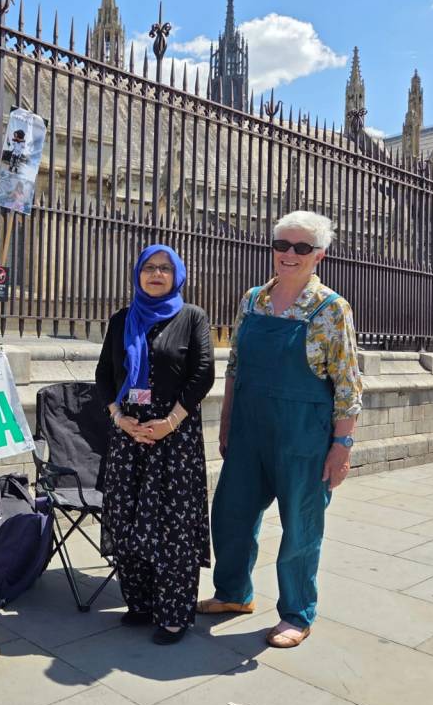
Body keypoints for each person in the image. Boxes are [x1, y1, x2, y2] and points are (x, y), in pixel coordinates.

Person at [198, 210, 363, 649]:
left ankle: (296, 613)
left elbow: (347, 384)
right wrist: (228, 420)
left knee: (300, 528)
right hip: (250, 431)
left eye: (302, 247)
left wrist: (341, 447)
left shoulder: (331, 308)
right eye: (282, 245)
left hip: (304, 438)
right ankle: (233, 594)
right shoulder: (252, 300)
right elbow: (234, 366)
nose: (290, 254)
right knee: (230, 514)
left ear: (319, 256)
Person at [95, 244, 215, 645]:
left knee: (173, 525)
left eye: (165, 268)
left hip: (173, 437)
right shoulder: (121, 319)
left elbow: (202, 374)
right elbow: (103, 375)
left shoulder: (192, 317)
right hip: (128, 434)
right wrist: (118, 417)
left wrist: (169, 422)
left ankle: (174, 614)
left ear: (177, 275)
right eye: (149, 267)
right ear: (137, 274)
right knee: (127, 516)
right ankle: (142, 603)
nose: (157, 274)